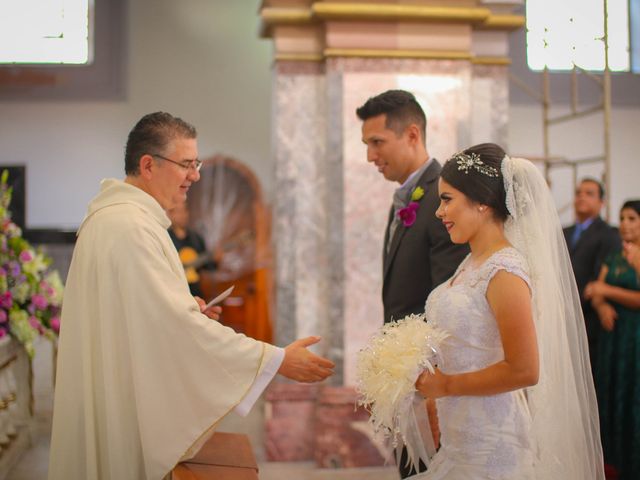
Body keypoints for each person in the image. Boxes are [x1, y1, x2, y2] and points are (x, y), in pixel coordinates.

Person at [48, 112, 335, 480]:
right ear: (148, 165)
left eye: (195, 163)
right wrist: (275, 359)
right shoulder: (130, 227)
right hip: (121, 409)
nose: (195, 175)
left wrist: (187, 309)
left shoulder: (120, 220)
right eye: (186, 164)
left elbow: (145, 319)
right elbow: (174, 326)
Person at [413, 143, 603, 479]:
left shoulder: (505, 271)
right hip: (460, 438)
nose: (439, 212)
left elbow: (525, 370)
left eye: (447, 199)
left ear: (482, 203)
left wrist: (446, 386)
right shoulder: (470, 264)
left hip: (492, 446)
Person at [356, 90, 468, 478]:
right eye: (367, 145)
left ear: (412, 134)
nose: (371, 155)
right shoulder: (406, 197)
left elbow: (448, 297)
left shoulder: (444, 196)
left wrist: (432, 384)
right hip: (407, 373)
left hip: (429, 377)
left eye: (377, 142)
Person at [584, 199, 640, 480]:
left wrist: (607, 291)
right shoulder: (615, 255)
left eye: (632, 218)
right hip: (613, 338)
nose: (625, 225)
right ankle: (613, 460)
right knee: (612, 391)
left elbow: (604, 287)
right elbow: (594, 290)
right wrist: (602, 305)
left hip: (636, 338)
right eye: (622, 218)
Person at [563, 178, 620, 371]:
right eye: (578, 192)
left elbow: (600, 276)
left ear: (601, 202)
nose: (581, 197)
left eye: (589, 193)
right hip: (561, 315)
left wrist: (577, 302)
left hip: (589, 315)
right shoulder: (563, 232)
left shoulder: (609, 234)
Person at [168, 201, 217, 298]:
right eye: (178, 211)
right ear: (170, 214)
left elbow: (207, 265)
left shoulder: (196, 238)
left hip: (195, 291)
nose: (183, 215)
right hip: (174, 292)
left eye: (185, 210)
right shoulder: (166, 237)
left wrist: (216, 260)